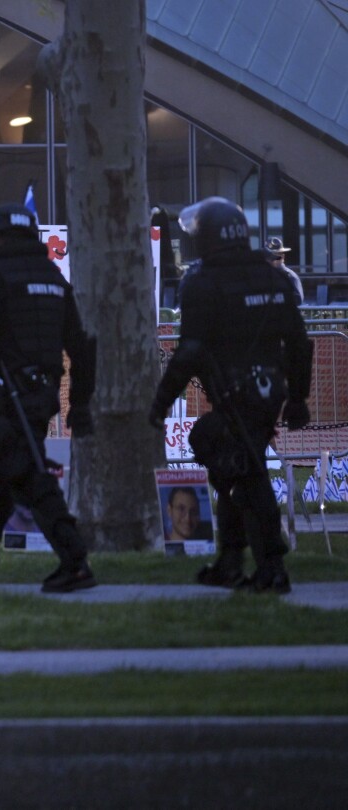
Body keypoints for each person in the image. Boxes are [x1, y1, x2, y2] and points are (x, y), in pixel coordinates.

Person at [150, 197, 313, 594]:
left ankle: (270, 565)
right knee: (239, 468)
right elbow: (299, 343)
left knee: (232, 462)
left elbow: (189, 351)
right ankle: (230, 561)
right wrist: (297, 398)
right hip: (269, 391)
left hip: (235, 392)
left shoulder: (202, 282)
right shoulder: (274, 278)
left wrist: (160, 402)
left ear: (207, 238)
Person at [0, 203, 98, 593]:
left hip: (9, 395)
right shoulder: (54, 280)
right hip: (42, 392)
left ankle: (75, 560)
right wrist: (79, 402)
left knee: (30, 475)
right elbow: (83, 348)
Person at [263, 237, 303, 305]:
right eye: (268, 256)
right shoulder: (262, 276)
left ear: (282, 257)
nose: (270, 259)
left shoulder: (290, 276)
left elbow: (298, 299)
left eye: (275, 255)